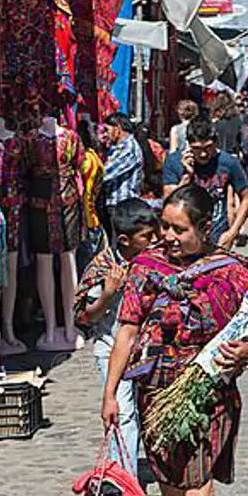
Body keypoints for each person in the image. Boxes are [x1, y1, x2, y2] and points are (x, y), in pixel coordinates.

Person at [102, 185, 248, 496]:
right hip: (156, 385)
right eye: (164, 228)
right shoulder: (146, 269)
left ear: (204, 229)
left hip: (210, 385)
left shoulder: (233, 271)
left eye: (178, 229)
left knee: (198, 468)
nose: (167, 237)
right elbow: (128, 330)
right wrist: (110, 392)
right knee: (168, 467)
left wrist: (247, 349)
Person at [74, 198, 160, 472]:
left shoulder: (156, 260)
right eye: (146, 236)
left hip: (151, 350)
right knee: (123, 415)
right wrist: (109, 293)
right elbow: (85, 316)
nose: (154, 240)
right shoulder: (103, 267)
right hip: (112, 350)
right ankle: (126, 480)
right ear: (124, 239)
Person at [162, 117, 248, 250]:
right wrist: (187, 175)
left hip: (217, 240)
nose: (203, 154)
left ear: (216, 142)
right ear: (188, 144)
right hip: (183, 242)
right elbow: (168, 202)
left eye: (208, 147)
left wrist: (232, 232)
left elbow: (245, 197)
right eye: (197, 148)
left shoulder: (228, 162)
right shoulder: (174, 162)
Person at [101, 113, 144, 241]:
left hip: (121, 205)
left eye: (107, 130)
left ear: (117, 129)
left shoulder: (129, 148)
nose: (105, 134)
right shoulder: (118, 148)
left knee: (119, 244)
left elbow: (106, 173)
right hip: (115, 205)